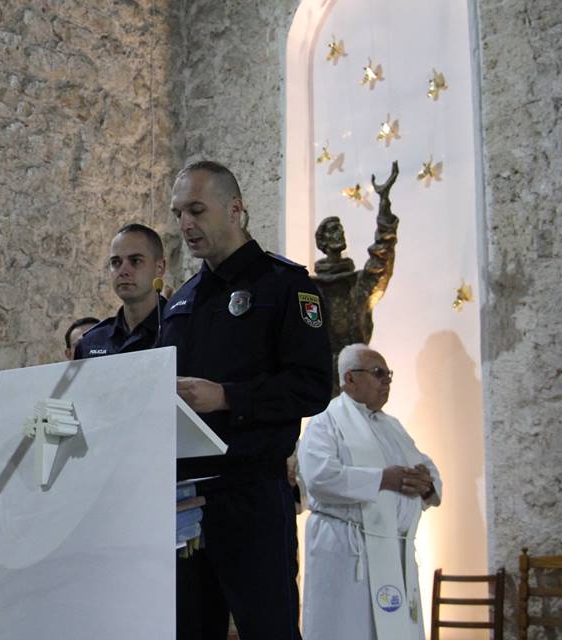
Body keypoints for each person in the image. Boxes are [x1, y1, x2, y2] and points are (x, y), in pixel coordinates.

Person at [160, 160, 332, 640]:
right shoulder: (181, 300)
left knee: (268, 630)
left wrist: (226, 397)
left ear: (235, 209)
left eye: (196, 210)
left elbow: (314, 386)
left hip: (252, 494)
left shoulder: (285, 286)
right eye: (178, 214)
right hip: (186, 501)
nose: (185, 225)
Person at [298, 344, 441, 640]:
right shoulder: (325, 422)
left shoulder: (393, 426)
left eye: (388, 374)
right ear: (350, 378)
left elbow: (426, 467)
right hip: (348, 552)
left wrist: (426, 485)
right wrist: (382, 480)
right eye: (379, 374)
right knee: (350, 630)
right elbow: (320, 478)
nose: (387, 381)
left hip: (395, 549)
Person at [311, 161, 399, 396]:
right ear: (321, 243)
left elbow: (382, 256)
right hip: (327, 383)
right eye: (331, 231)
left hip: (362, 378)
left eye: (339, 229)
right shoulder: (310, 289)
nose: (338, 233)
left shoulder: (359, 284)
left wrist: (384, 203)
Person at [74, 223, 167, 359]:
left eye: (135, 261)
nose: (123, 271)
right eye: (116, 262)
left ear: (159, 268)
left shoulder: (180, 329)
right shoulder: (92, 342)